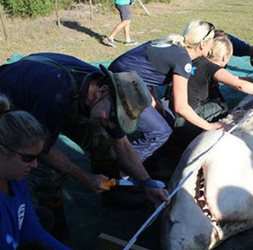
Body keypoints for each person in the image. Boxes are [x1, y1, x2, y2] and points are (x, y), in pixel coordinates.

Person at [0, 53, 169, 239]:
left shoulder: (107, 93)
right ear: (101, 91)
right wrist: (84, 177)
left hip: (57, 97)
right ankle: (54, 219)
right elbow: (42, 151)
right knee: (45, 170)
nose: (113, 124)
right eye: (114, 118)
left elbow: (121, 145)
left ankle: (111, 190)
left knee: (104, 142)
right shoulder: (53, 95)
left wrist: (147, 183)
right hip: (13, 101)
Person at [109, 20, 227, 162]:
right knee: (160, 132)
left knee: (166, 118)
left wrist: (156, 101)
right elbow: (181, 107)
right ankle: (122, 171)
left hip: (119, 78)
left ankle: (149, 160)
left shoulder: (170, 44)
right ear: (203, 44)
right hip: (123, 85)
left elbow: (146, 71)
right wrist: (209, 126)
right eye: (211, 40)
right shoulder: (183, 59)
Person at [0, 94, 72, 250]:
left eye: (37, 157)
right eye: (28, 158)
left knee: (45, 217)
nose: (35, 165)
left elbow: (32, 231)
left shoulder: (17, 180)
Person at [174, 30, 253, 142]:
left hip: (172, 110)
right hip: (185, 120)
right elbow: (240, 86)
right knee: (222, 107)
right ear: (224, 57)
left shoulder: (197, 58)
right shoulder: (211, 68)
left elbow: (231, 79)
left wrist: (252, 79)